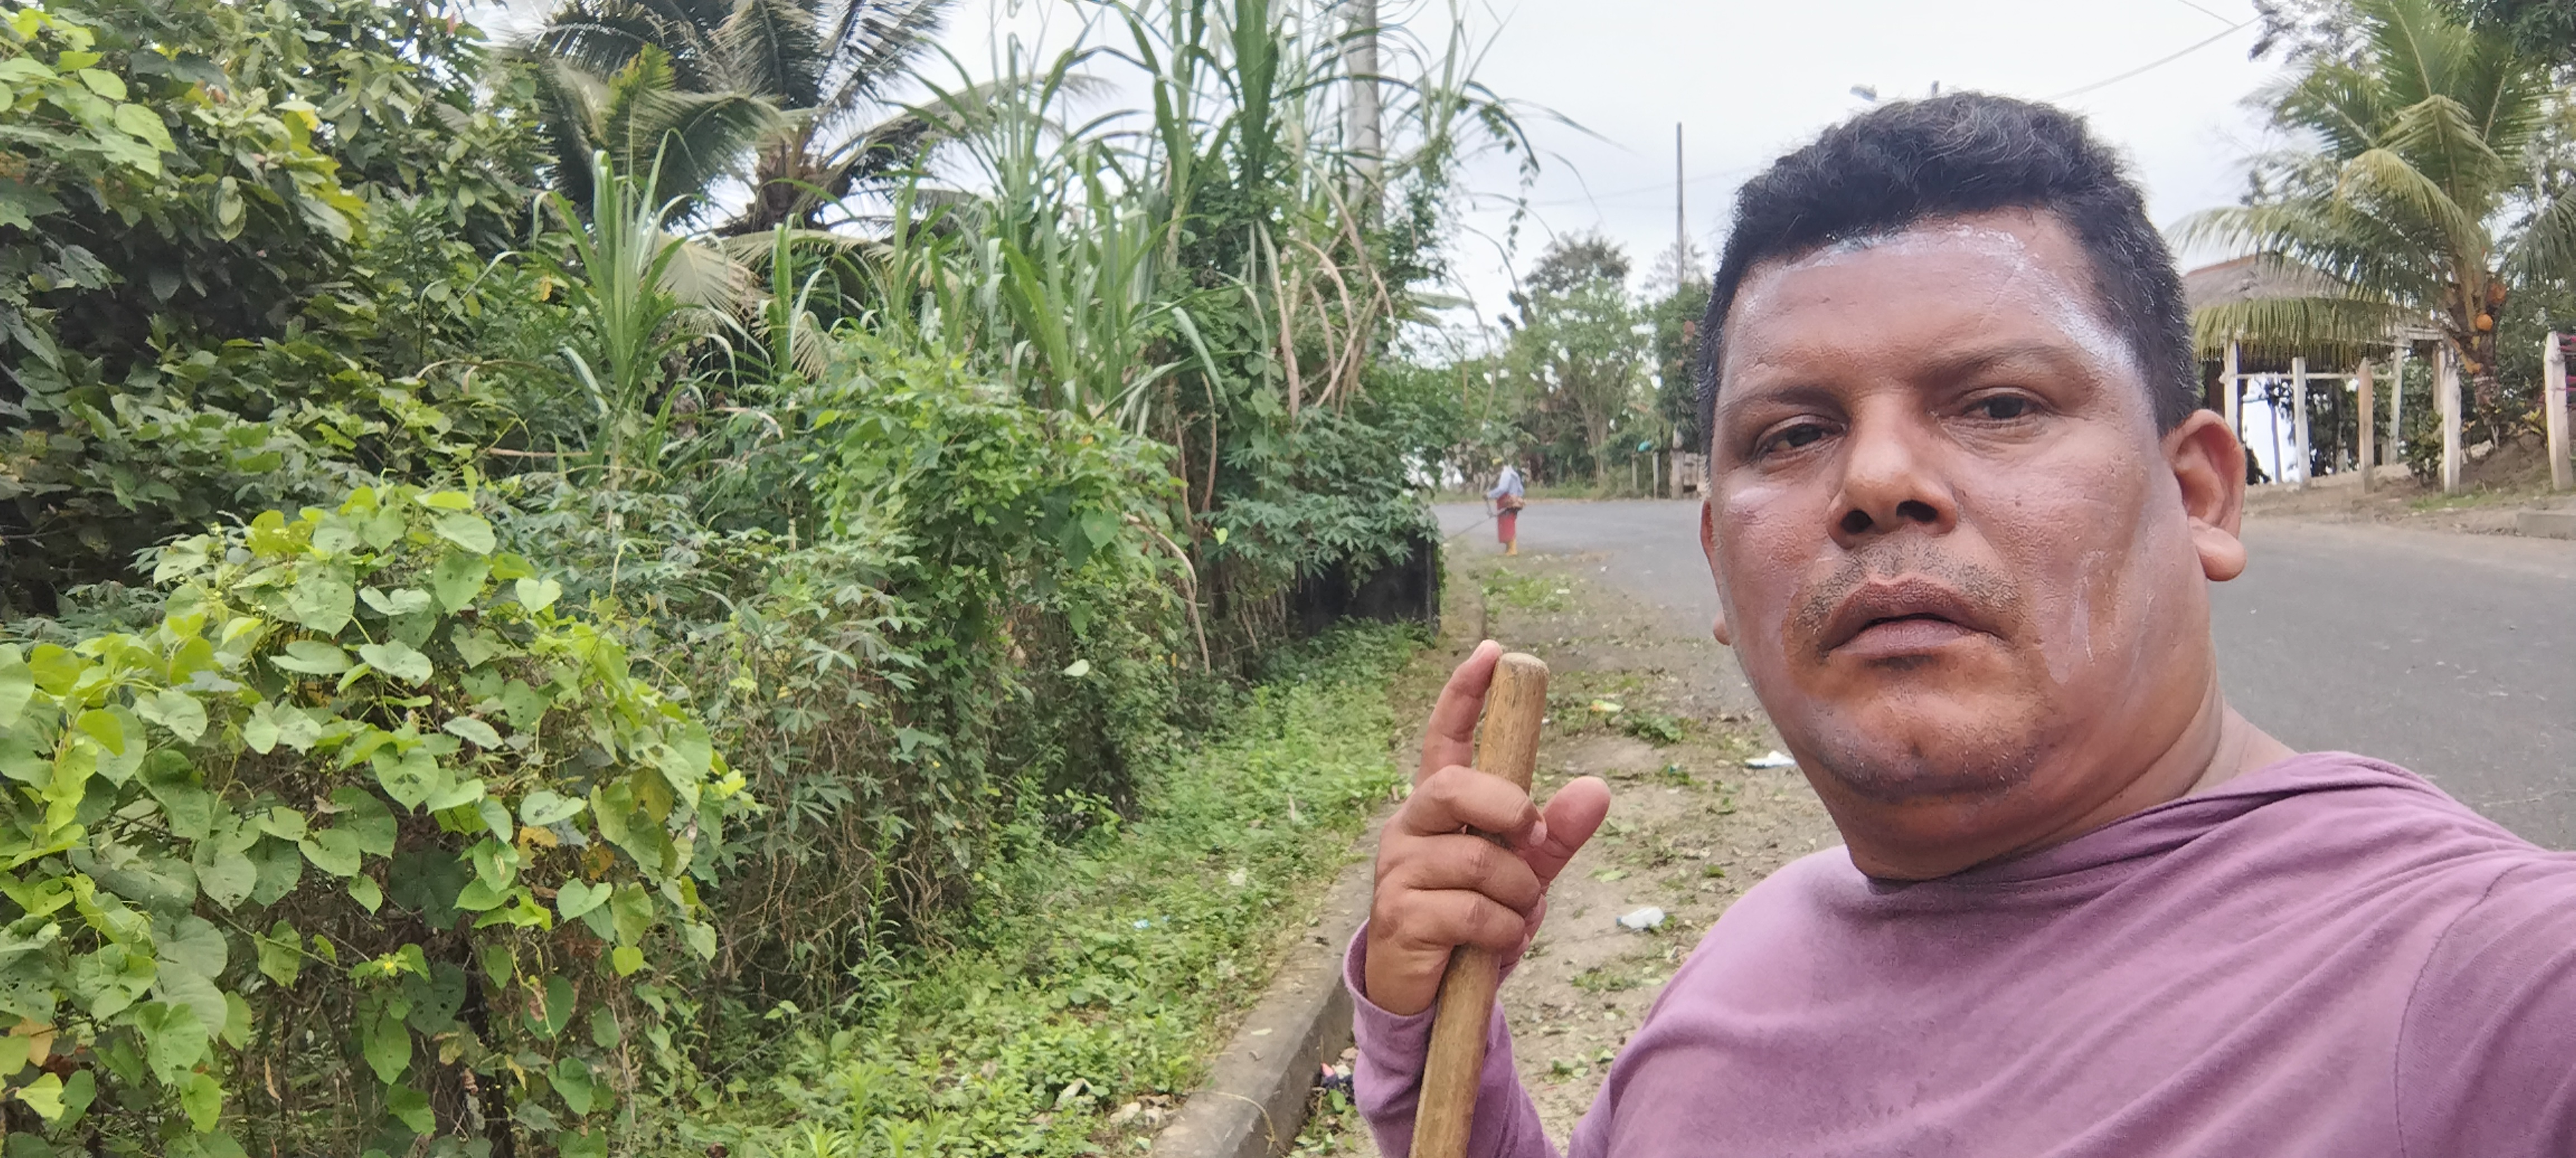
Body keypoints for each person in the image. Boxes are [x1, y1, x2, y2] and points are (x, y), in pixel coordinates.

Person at [1349, 93, 2576, 1157]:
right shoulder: (1737, 971)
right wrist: (1431, 1044)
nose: (1876, 480)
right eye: (1794, 433)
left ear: (2196, 493)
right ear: (1721, 566)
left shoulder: (2480, 983)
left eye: (1996, 405)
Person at [1485, 464, 1526, 556]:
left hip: (1507, 501)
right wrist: (1517, 498)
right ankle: (1509, 549)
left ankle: (1512, 550)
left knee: (1507, 524)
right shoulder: (1514, 474)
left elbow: (1502, 489)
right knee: (1509, 523)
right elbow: (1521, 490)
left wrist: (1489, 495)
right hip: (1514, 502)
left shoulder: (1505, 474)